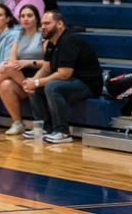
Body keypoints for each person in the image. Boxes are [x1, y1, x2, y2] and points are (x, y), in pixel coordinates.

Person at [21, 10, 103, 144]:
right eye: (42, 24)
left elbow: (64, 74)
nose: (43, 27)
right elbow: (46, 68)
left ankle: (63, 132)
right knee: (35, 87)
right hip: (70, 82)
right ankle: (43, 128)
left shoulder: (69, 40)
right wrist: (33, 81)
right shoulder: (51, 43)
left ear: (59, 24)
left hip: (87, 85)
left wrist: (37, 82)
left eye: (47, 23)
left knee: (52, 87)